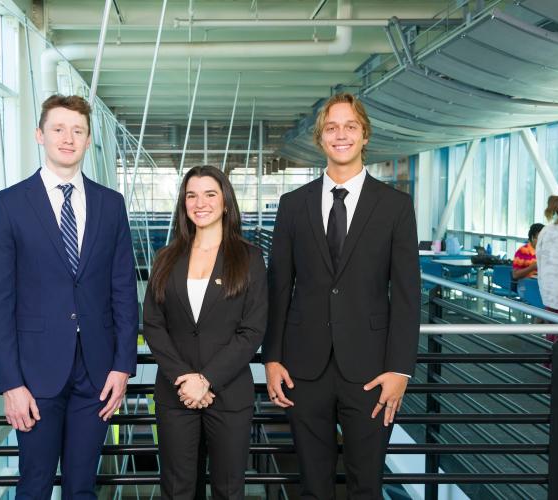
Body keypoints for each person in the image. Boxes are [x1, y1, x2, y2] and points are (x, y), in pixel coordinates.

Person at [0, 94, 138, 499]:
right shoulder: (7, 205)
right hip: (34, 377)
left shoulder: (111, 204)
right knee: (34, 485)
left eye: (78, 131)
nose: (68, 138)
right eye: (58, 129)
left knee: (82, 488)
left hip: (98, 374)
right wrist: (10, 384)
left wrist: (123, 367)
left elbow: (123, 289)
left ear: (87, 141)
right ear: (40, 135)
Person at [262, 93, 420, 499]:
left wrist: (400, 370)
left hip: (371, 371)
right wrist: (273, 358)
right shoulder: (292, 205)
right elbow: (279, 286)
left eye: (350, 126)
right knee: (313, 486)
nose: (341, 135)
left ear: (364, 134)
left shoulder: (395, 206)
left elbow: (407, 295)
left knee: (366, 485)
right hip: (302, 368)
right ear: (320, 139)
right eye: (331, 128)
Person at [143, 165, 267, 499]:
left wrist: (206, 379)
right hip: (176, 393)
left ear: (226, 202)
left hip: (228, 394)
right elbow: (153, 324)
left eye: (210, 194)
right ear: (184, 204)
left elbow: (252, 330)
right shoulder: (166, 258)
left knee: (228, 490)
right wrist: (185, 377)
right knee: (177, 489)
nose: (201, 202)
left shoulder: (249, 258)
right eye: (192, 195)